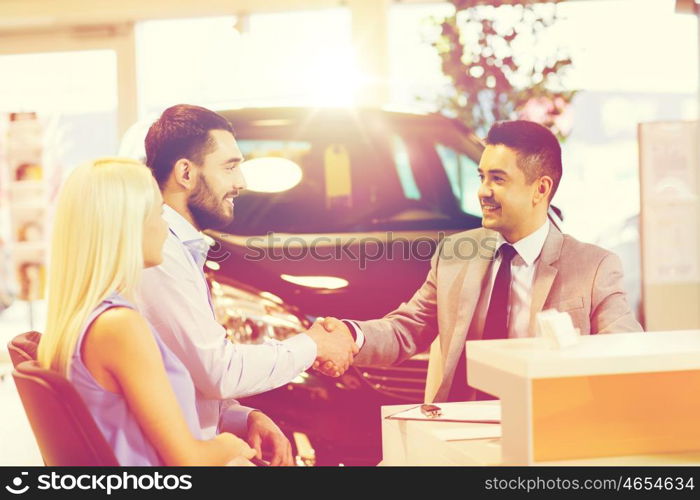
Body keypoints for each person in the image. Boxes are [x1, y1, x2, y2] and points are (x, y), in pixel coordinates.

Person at [320, 120, 643, 402]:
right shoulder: (455, 254)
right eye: (482, 177)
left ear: (540, 189)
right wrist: (351, 336)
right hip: (458, 422)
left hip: (547, 426)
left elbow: (625, 351)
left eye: (498, 180)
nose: (483, 192)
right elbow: (408, 328)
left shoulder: (593, 266)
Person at [139, 104, 356, 466]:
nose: (241, 182)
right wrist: (312, 344)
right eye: (230, 166)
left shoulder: (182, 247)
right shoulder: (159, 255)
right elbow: (217, 372)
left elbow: (186, 375)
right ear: (186, 172)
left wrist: (242, 417)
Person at [37, 158, 256, 465]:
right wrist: (231, 447)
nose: (165, 225)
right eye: (156, 212)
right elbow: (189, 460)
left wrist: (240, 420)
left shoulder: (89, 318)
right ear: (126, 226)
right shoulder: (119, 326)